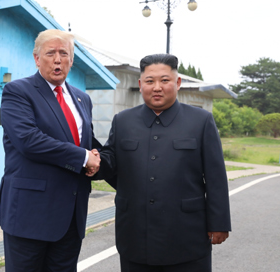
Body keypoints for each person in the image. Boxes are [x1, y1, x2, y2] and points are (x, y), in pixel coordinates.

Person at [91, 54, 231, 272]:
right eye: (149, 81)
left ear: (177, 83)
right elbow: (111, 164)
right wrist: (91, 158)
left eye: (164, 80)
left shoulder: (200, 120)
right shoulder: (123, 121)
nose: (157, 87)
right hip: (135, 234)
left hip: (187, 235)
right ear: (140, 85)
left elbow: (215, 176)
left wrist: (219, 223)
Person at [0, 29, 101, 272]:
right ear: (37, 58)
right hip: (30, 214)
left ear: (72, 60)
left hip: (71, 215)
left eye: (64, 53)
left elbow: (87, 143)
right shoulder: (18, 92)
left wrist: (102, 159)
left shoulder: (83, 98)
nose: (58, 59)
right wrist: (84, 158)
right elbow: (29, 140)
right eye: (50, 53)